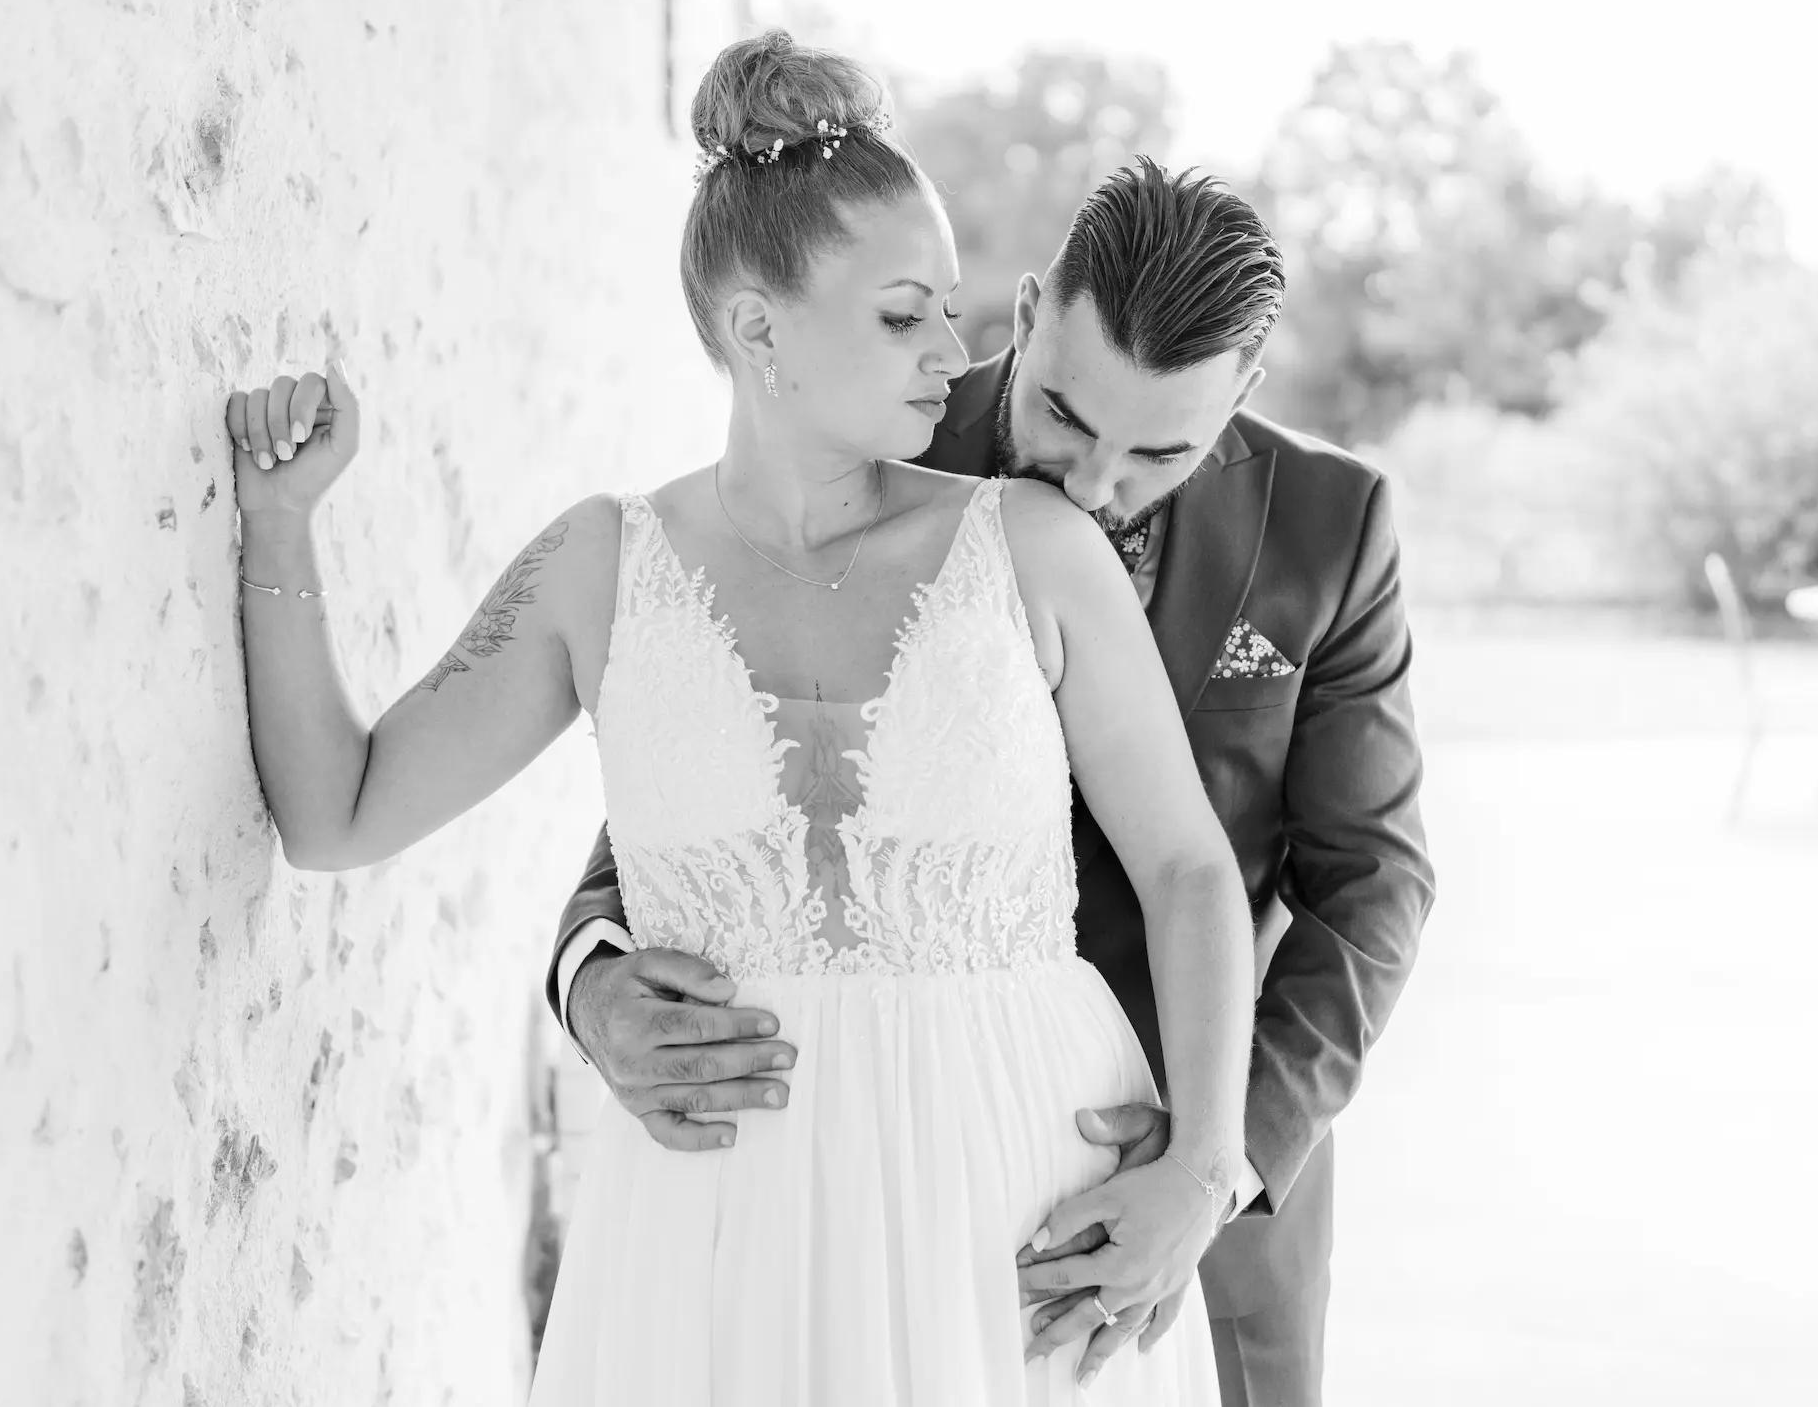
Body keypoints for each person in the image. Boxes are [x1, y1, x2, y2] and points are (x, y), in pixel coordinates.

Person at [225, 29, 1255, 1405]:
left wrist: (1199, 1165)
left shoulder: (1033, 548)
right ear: (755, 327)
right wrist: (281, 524)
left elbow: (1189, 868)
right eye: (902, 315)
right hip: (716, 1227)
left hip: (1014, 1198)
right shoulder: (599, 568)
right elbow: (335, 815)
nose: (954, 354)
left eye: (947, 307)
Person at [551, 153, 1436, 1405]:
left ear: (1243, 393)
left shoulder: (1331, 528)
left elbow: (1373, 888)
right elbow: (707, 744)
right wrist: (589, 976)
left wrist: (1214, 1157)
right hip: (877, 1174)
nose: (1092, 486)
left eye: (1158, 451)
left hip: (1215, 1176)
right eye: (1066, 416)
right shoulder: (859, 433)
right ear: (1024, 318)